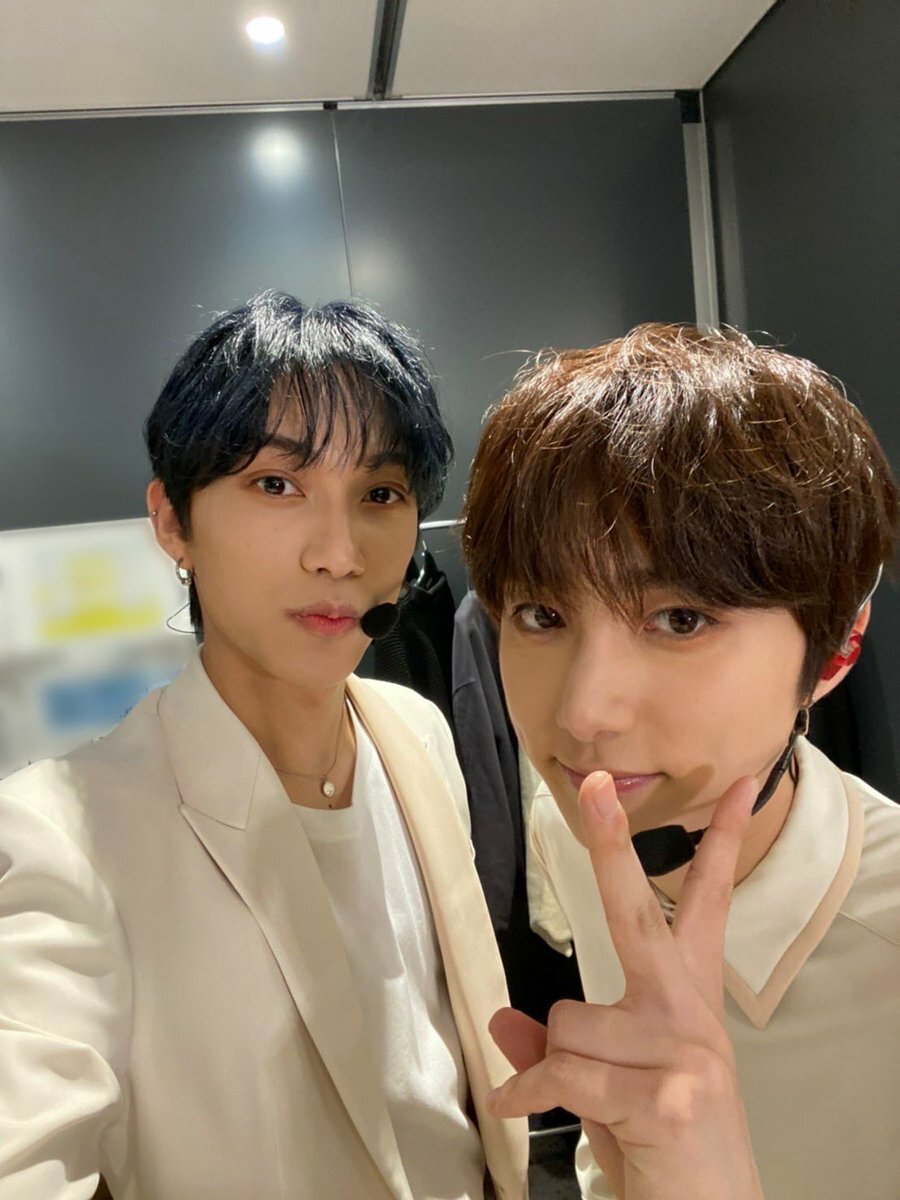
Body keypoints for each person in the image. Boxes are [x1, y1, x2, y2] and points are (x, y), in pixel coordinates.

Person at [0, 293, 528, 1199]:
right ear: (174, 523)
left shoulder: (415, 733)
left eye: (380, 494)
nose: (339, 553)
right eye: (277, 485)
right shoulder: (58, 832)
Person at [461, 323, 899, 1200]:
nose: (582, 714)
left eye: (680, 620)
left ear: (836, 651)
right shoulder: (579, 829)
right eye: (542, 615)